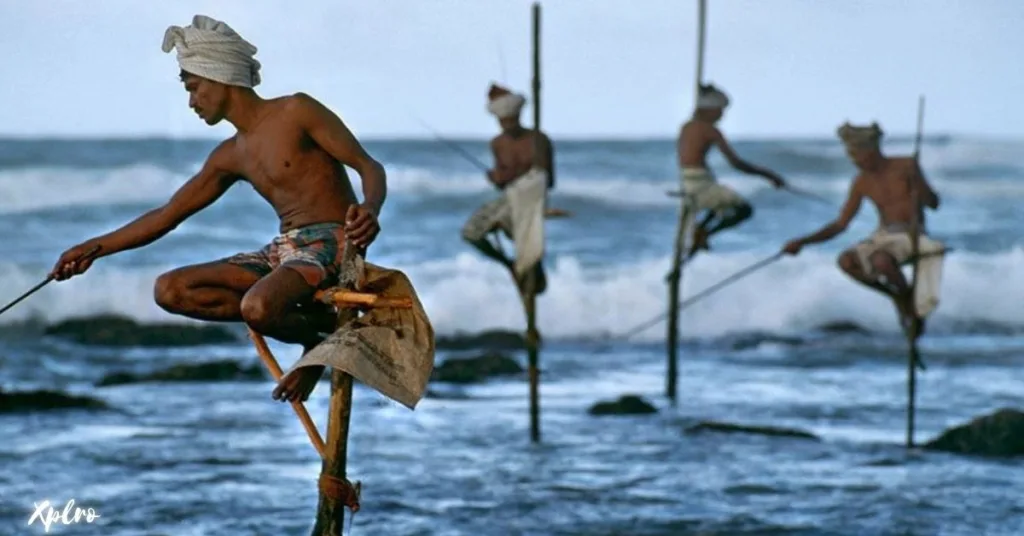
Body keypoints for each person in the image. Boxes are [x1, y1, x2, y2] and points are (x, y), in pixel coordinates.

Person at [48, 15, 388, 402]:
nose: (192, 102)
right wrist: (92, 249)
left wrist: (371, 208)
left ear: (219, 77)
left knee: (257, 307)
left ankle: (316, 350)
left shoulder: (297, 111)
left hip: (334, 242)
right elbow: (166, 216)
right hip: (285, 250)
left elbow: (368, 166)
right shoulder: (229, 155)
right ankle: (322, 330)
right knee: (171, 290)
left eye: (194, 88)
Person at [781, 122, 945, 339]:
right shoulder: (861, 181)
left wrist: (917, 183)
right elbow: (841, 224)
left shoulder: (906, 165)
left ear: (873, 151)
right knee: (846, 262)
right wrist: (802, 242)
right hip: (884, 235)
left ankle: (908, 305)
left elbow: (933, 203)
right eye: (852, 157)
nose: (856, 162)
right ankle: (898, 297)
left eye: (859, 156)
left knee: (881, 261)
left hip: (912, 235)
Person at [460, 83, 554, 294]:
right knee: (470, 233)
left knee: (525, 239)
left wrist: (514, 176)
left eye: (510, 119)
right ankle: (508, 264)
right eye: (503, 121)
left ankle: (530, 274)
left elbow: (547, 178)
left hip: (531, 200)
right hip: (509, 199)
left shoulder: (539, 140)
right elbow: (502, 181)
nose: (507, 124)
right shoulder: (498, 144)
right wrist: (497, 178)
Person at [677, 83, 786, 255]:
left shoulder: (686, 127)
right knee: (743, 210)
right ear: (709, 109)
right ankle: (705, 233)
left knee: (718, 207)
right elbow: (736, 163)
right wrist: (769, 175)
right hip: (700, 184)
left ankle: (701, 231)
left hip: (689, 181)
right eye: (720, 110)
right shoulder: (710, 130)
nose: (722, 115)